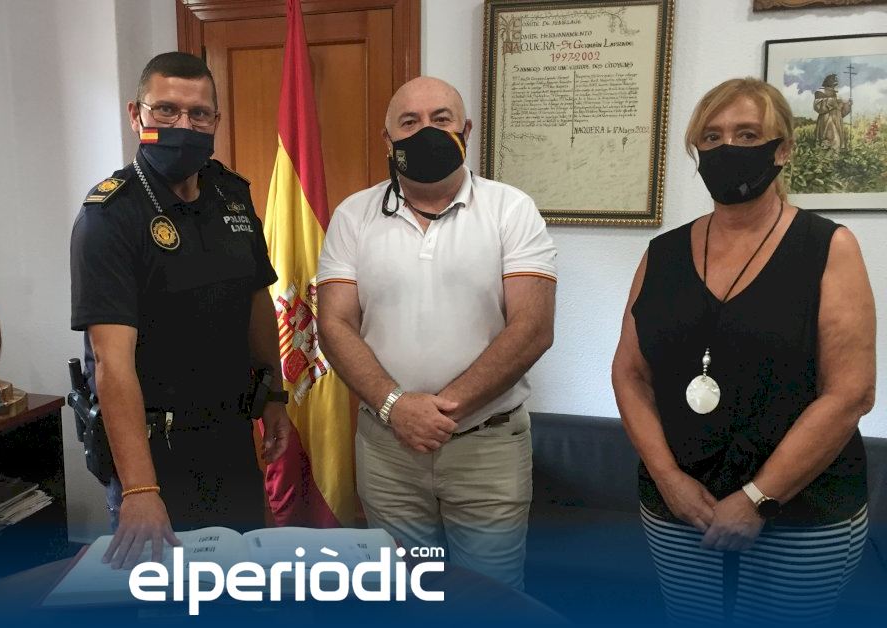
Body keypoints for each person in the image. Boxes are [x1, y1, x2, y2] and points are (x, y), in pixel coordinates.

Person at [612, 77, 873, 626]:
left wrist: (757, 497)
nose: (727, 147)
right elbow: (630, 374)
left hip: (802, 512)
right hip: (681, 507)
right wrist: (668, 479)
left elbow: (850, 394)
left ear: (783, 150)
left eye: (747, 134)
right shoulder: (662, 253)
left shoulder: (829, 247)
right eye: (711, 136)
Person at [315, 76, 557, 589]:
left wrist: (438, 412)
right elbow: (334, 324)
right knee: (401, 592)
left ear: (465, 130)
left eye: (440, 119)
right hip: (387, 448)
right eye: (409, 122)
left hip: (487, 447)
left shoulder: (511, 209)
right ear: (388, 140)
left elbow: (533, 328)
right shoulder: (353, 216)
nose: (426, 130)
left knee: (490, 599)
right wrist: (396, 407)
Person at [70, 52, 291, 570]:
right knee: (163, 595)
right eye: (166, 110)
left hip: (231, 436)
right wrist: (140, 489)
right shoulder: (109, 217)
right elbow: (112, 364)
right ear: (136, 115)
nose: (183, 126)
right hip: (153, 449)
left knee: (241, 583)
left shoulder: (231, 195)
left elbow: (256, 300)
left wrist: (275, 395)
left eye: (199, 114)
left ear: (216, 120)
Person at [813, 73, 851, 151]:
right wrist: (834, 101)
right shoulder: (821, 91)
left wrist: (847, 105)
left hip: (836, 119)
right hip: (826, 119)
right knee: (829, 139)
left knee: (836, 141)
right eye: (834, 79)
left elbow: (841, 112)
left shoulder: (836, 93)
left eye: (836, 80)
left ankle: (834, 155)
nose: (836, 81)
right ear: (829, 80)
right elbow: (818, 105)